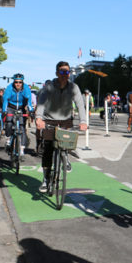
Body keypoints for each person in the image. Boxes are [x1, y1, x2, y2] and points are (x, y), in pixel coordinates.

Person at [35, 62, 87, 193]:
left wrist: (83, 121)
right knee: (48, 150)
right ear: (57, 73)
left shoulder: (73, 87)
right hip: (49, 120)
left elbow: (80, 105)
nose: (65, 74)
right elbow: (41, 103)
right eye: (62, 72)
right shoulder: (49, 87)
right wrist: (39, 118)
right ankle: (46, 179)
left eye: (67, 72)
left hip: (66, 121)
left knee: (67, 143)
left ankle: (65, 158)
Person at [2, 74, 34, 150]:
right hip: (11, 107)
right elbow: (5, 100)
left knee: (22, 127)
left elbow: (29, 101)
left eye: (20, 82)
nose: (18, 84)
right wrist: (4, 111)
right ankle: (8, 138)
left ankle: (22, 147)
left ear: (22, 82)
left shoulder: (26, 88)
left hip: (21, 108)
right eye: (16, 82)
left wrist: (31, 110)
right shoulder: (9, 87)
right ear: (14, 82)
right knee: (9, 122)